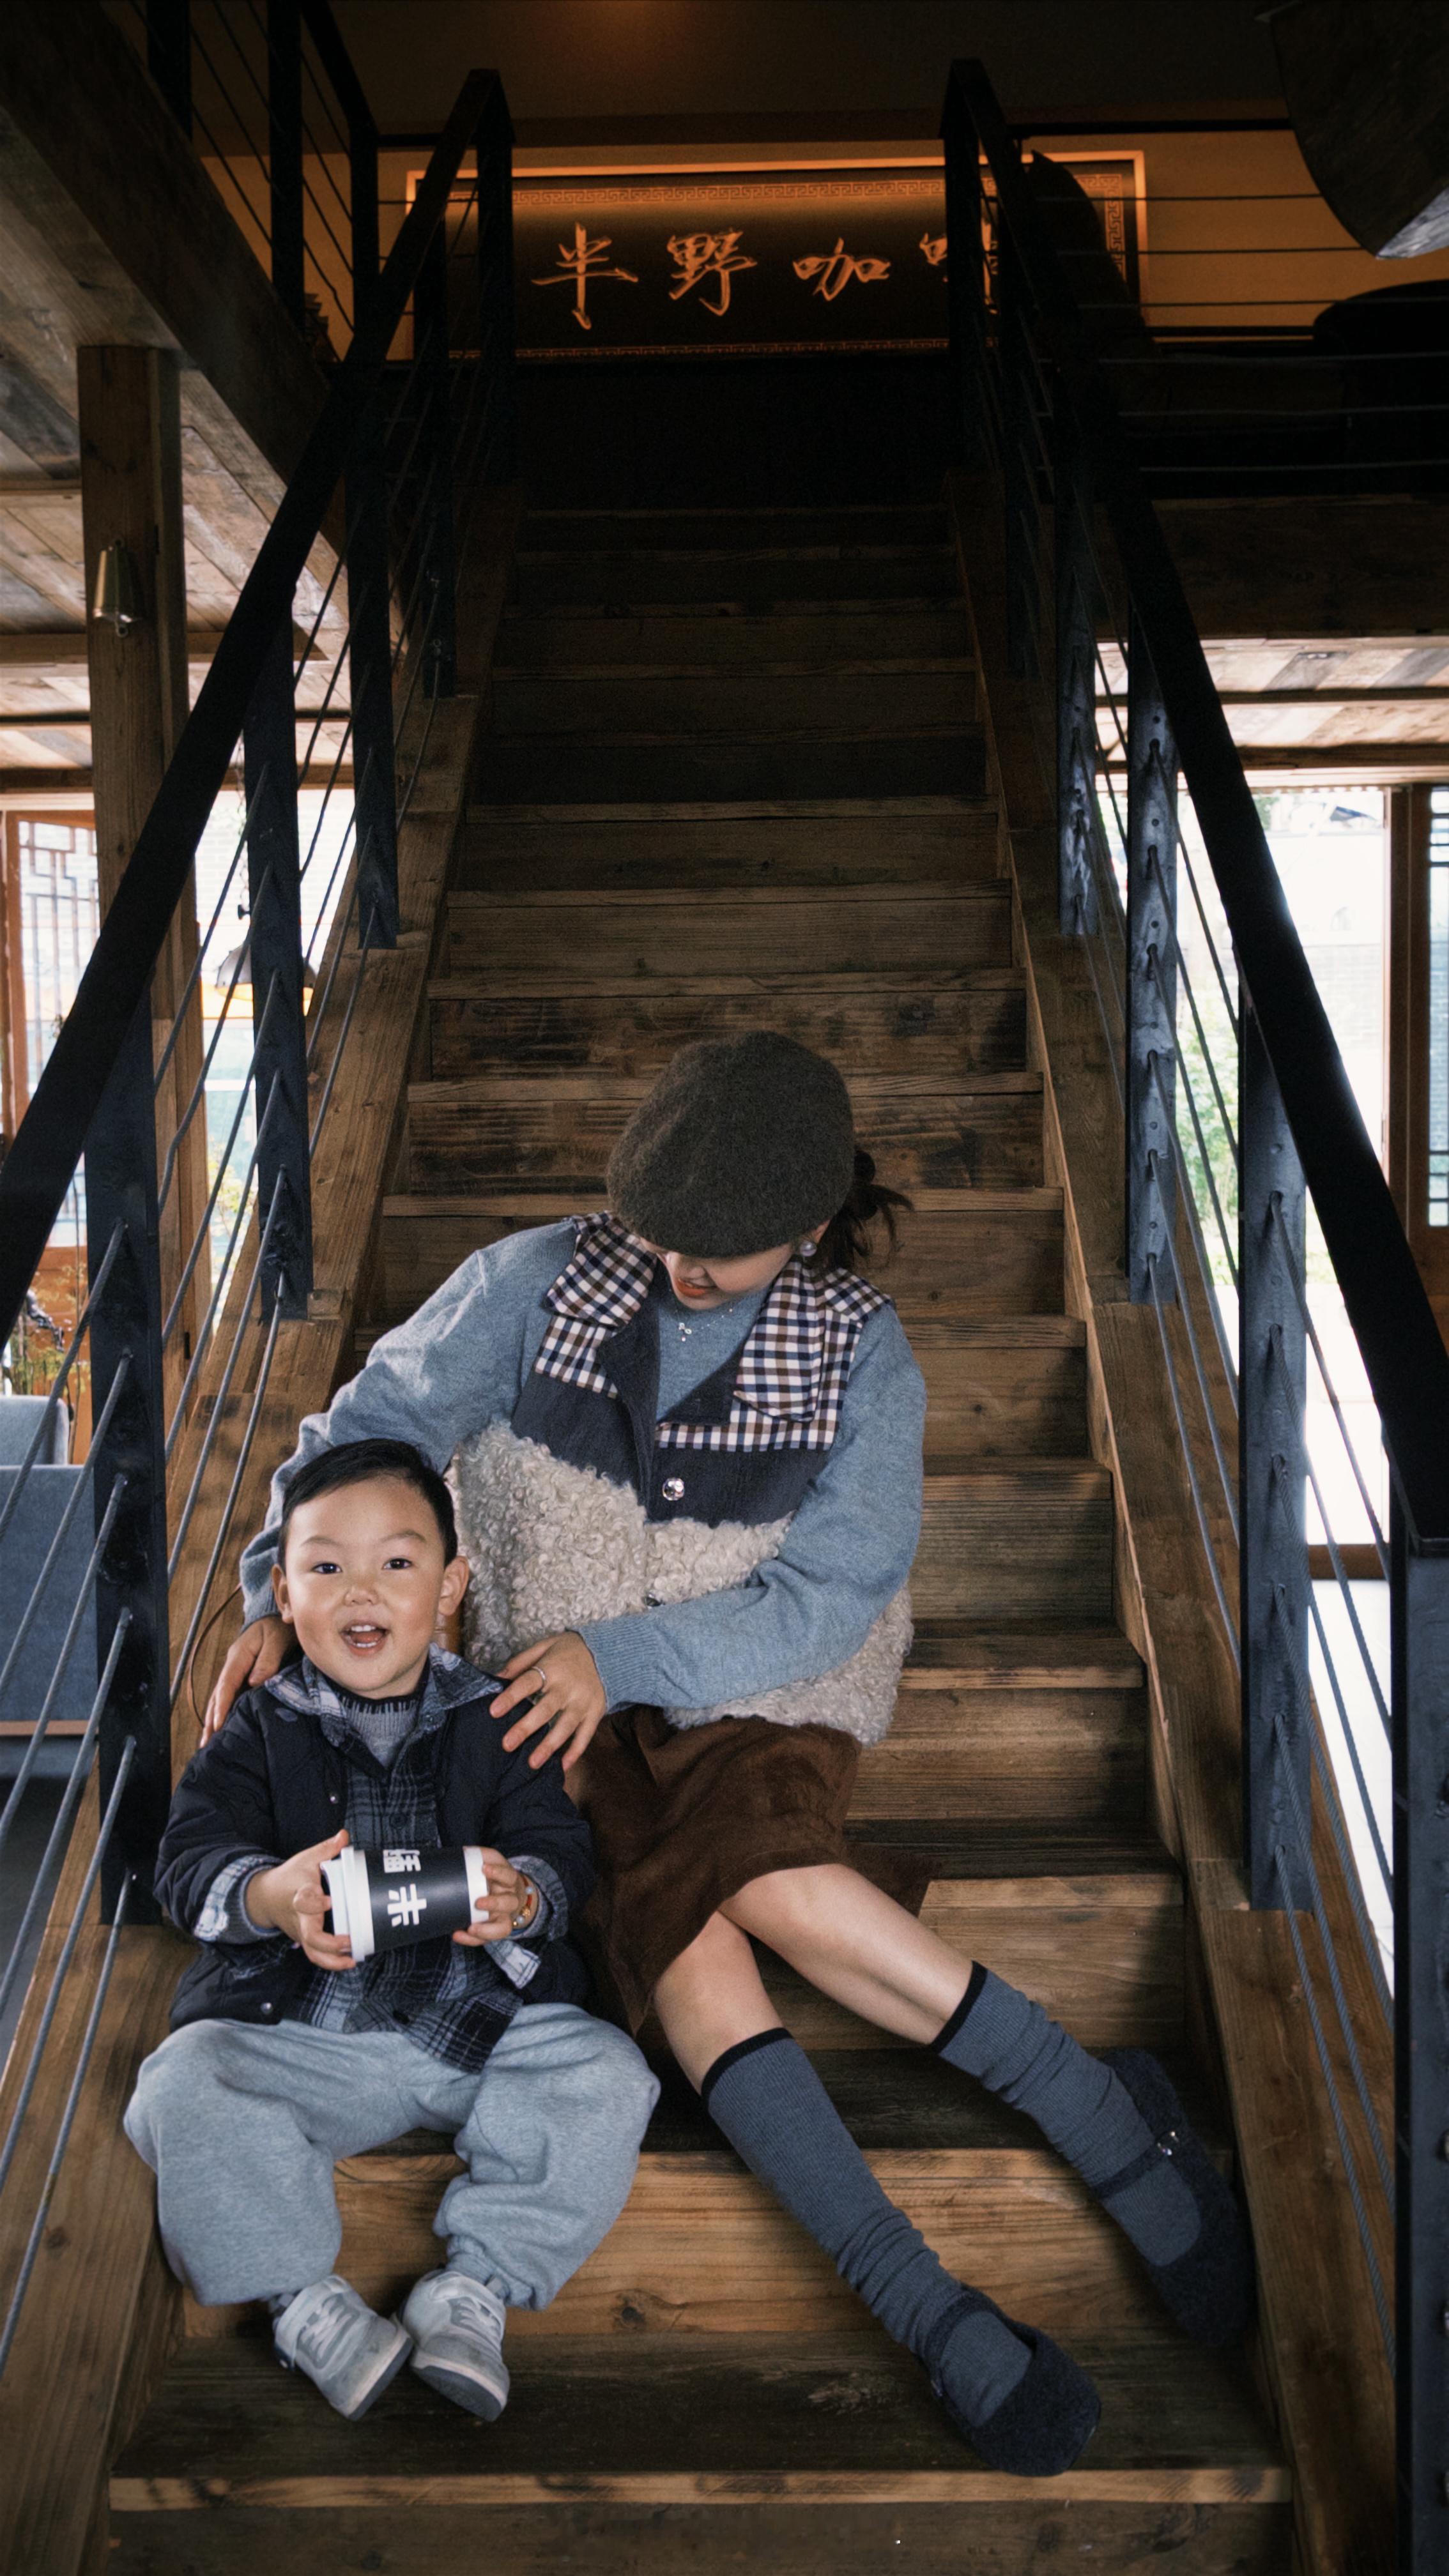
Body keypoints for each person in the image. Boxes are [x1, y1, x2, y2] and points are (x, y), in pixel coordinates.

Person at [205, 1032, 1252, 2475]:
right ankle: (925, 2302)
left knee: (755, 1875)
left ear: (810, 1224)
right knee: (673, 1927)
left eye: (721, 1248)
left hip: (762, 1692)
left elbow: (828, 1595)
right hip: (545, 1714)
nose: (682, 1268)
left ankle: (1100, 2111)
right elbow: (371, 1431)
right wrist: (282, 1592)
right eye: (662, 1233)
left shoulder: (861, 1349)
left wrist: (620, 1657)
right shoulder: (530, 1283)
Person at [126, 1438, 659, 2423]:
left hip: (477, 2021)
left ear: (450, 1585)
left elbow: (558, 1844)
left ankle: (474, 2287)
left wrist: (525, 1897)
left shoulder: (495, 1717)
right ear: (284, 1592)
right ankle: (302, 2300)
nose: (360, 1590)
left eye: (397, 1562)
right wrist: (269, 1896)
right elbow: (186, 1860)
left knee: (610, 2076)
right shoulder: (259, 1727)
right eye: (326, 1565)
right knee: (179, 2084)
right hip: (312, 2032)